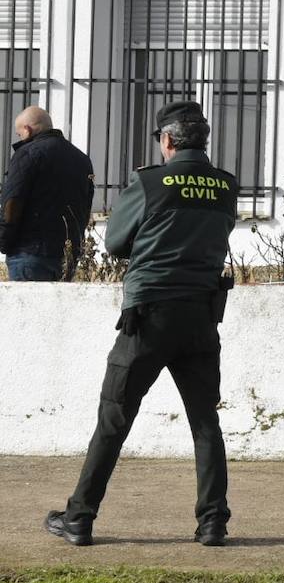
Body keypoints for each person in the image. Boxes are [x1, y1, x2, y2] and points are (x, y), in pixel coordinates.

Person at [45, 101, 239, 548]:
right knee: (204, 421)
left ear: (167, 141)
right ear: (202, 142)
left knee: (113, 419)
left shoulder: (150, 182)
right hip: (201, 316)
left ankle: (79, 518)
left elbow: (114, 243)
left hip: (149, 315)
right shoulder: (225, 186)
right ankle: (213, 522)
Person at [0, 106, 94, 281]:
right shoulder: (81, 159)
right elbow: (86, 205)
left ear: (27, 130)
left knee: (27, 307)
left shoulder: (27, 153)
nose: (19, 138)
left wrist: (4, 241)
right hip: (67, 256)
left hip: (29, 252)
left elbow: (12, 201)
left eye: (19, 134)